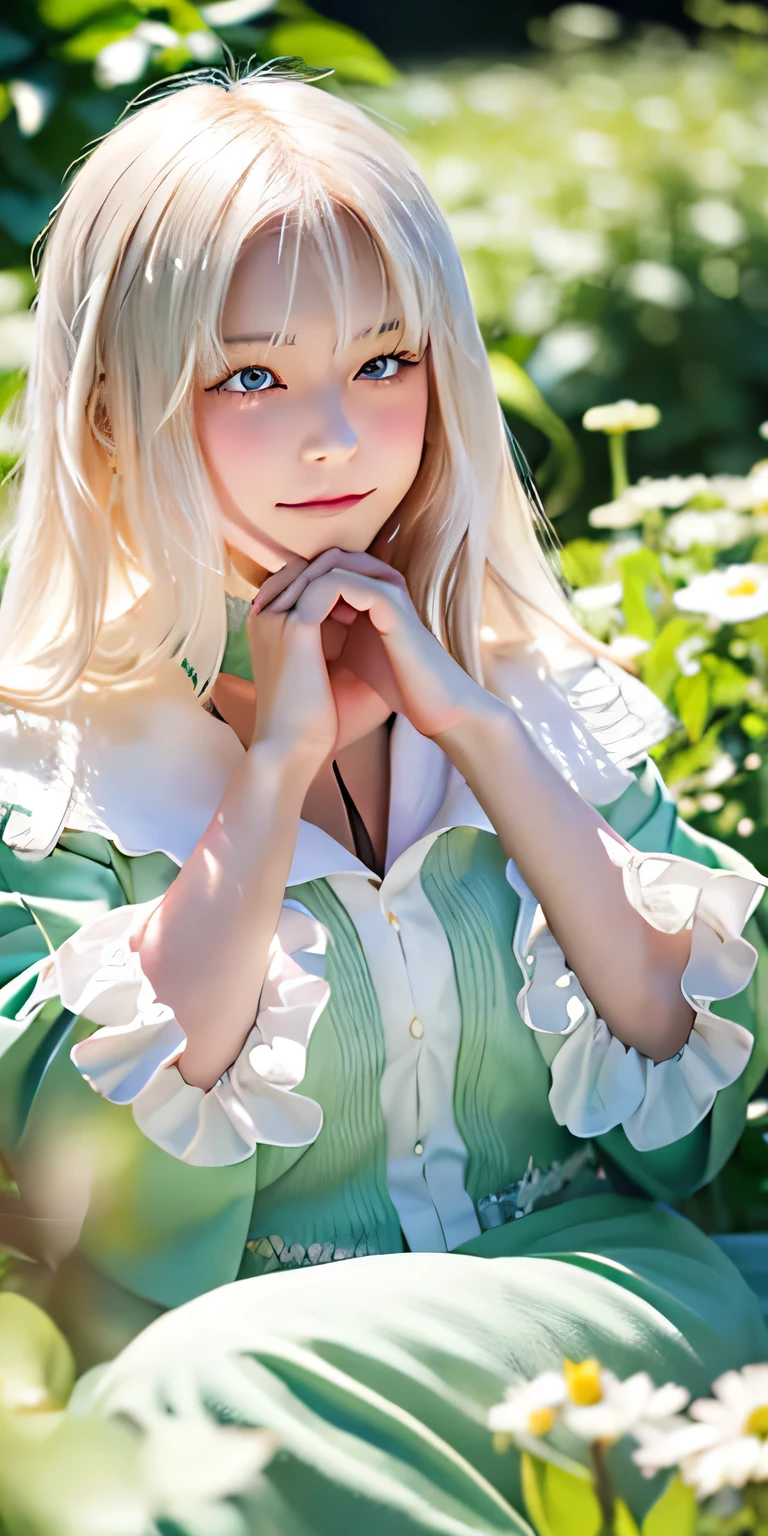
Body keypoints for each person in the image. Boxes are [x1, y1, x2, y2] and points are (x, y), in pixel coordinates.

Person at [0, 61, 767, 1535]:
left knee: (192, 1405)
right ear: (112, 410)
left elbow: (691, 1107)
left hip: (599, 1319)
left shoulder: (542, 696)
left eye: (384, 362)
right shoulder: (53, 769)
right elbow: (95, 1209)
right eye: (249, 378)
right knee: (199, 1391)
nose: (337, 437)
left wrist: (475, 727)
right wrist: (276, 766)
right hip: (237, 1367)